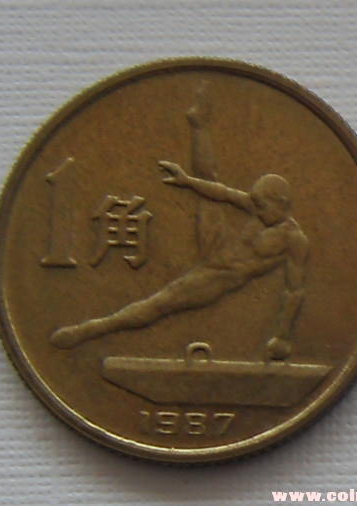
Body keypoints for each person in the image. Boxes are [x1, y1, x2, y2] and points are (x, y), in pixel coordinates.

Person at [50, 83, 308, 360]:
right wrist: (187, 181)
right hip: (217, 244)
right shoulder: (259, 207)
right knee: (209, 183)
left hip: (219, 277)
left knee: (159, 304)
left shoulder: (294, 240)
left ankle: (88, 330)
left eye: (262, 206)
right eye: (254, 203)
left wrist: (283, 337)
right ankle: (199, 125)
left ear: (281, 203)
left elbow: (294, 291)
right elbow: (223, 193)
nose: (256, 210)